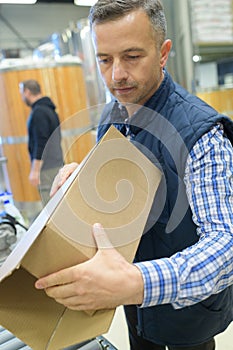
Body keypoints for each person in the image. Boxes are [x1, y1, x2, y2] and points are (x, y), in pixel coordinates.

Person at [35, 1, 233, 349]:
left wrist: (137, 282)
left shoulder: (202, 135)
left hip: (185, 316)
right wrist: (85, 185)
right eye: (105, 59)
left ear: (163, 52)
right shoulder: (114, 115)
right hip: (135, 310)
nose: (116, 75)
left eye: (132, 56)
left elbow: (224, 246)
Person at [19, 79, 63, 204]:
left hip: (48, 169)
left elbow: (41, 142)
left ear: (27, 92)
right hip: (56, 164)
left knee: (51, 207)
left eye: (22, 93)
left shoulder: (39, 112)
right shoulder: (49, 109)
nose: (22, 97)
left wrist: (35, 170)